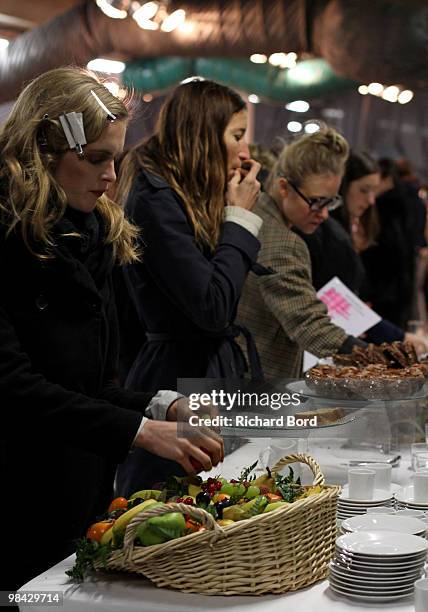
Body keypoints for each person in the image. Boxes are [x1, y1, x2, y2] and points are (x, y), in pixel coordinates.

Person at [0, 67, 223, 590]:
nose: (109, 177)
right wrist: (141, 430)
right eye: (95, 158)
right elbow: (12, 387)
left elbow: (89, 384)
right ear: (42, 151)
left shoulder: (91, 237)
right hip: (13, 498)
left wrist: (158, 404)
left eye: (115, 159)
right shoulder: (10, 243)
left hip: (77, 490)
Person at [114, 79, 262, 494]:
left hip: (200, 371)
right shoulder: (154, 196)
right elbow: (213, 307)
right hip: (178, 376)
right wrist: (239, 220)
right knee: (171, 513)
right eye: (236, 136)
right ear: (202, 136)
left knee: (221, 500)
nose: (246, 153)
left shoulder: (184, 193)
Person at [236, 126, 365, 379]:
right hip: (254, 386)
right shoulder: (283, 242)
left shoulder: (252, 213)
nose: (324, 214)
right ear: (284, 187)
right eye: (316, 202)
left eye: (331, 202)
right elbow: (308, 325)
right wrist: (377, 357)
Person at [302, 152, 428, 350]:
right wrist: (395, 335)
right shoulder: (328, 231)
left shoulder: (355, 226)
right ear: (343, 187)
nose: (371, 200)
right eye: (364, 190)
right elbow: (332, 294)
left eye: (373, 191)